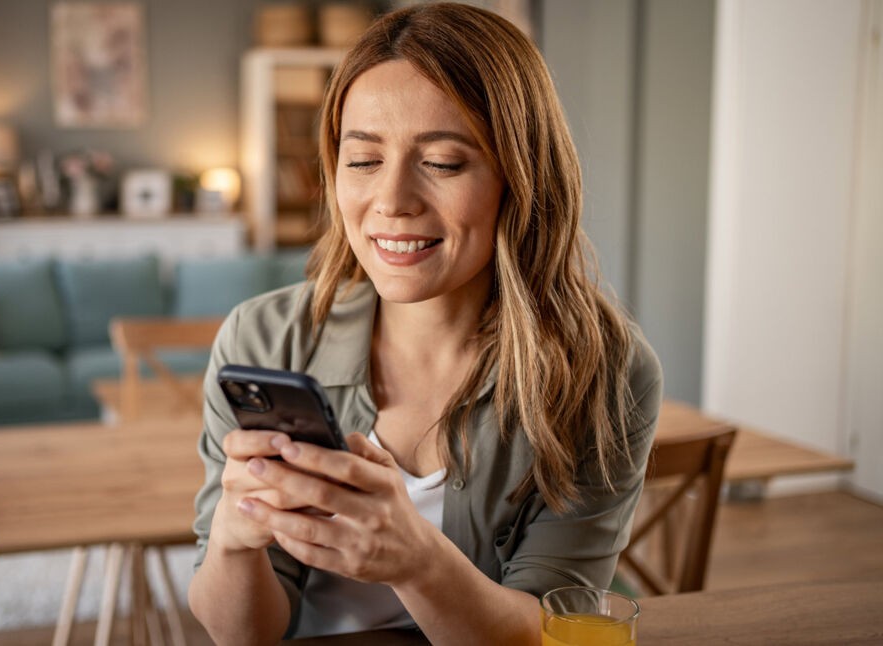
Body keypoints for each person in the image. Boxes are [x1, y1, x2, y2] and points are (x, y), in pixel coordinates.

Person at [188, 3, 662, 644]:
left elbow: (550, 630)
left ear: (520, 179)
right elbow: (241, 634)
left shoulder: (603, 371)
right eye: (362, 161)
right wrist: (234, 544)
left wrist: (417, 561)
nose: (391, 201)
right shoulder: (263, 340)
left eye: (441, 162)